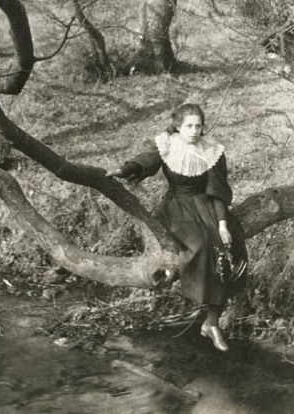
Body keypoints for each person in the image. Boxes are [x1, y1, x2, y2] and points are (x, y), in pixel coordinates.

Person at [106, 103, 247, 352]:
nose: (194, 131)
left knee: (228, 247)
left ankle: (212, 321)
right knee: (201, 246)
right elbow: (145, 162)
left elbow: (217, 194)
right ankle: (204, 308)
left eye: (198, 125)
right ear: (178, 127)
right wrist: (123, 170)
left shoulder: (212, 151)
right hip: (176, 208)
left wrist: (223, 224)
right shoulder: (168, 144)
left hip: (206, 205)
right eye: (189, 126)